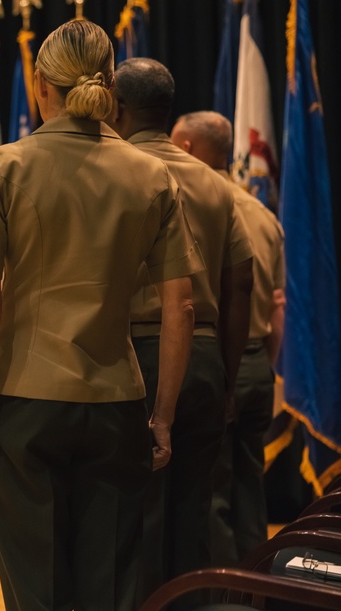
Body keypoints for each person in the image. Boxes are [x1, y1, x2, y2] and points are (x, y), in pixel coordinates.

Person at [0, 21, 198, 611]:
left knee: (36, 588)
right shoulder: (152, 173)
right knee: (110, 587)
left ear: (41, 85)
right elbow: (180, 305)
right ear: (109, 84)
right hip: (117, 403)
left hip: (25, 404)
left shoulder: (2, 166)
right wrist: (162, 417)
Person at [107, 59, 254, 603]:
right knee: (192, 513)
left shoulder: (111, 168)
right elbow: (240, 284)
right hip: (209, 356)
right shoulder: (217, 185)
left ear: (115, 107)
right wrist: (228, 376)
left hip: (136, 353)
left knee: (133, 512)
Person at [171, 110, 286, 564]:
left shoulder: (190, 206)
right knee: (249, 487)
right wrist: (263, 365)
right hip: (257, 363)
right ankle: (261, 584)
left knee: (211, 493)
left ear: (186, 149)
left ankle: (223, 593)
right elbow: (277, 305)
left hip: (216, 359)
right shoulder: (262, 214)